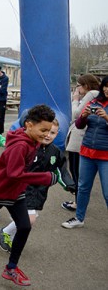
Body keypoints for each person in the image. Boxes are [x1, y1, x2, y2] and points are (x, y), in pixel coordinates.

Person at [0, 105, 59, 287]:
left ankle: (11, 268)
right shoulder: (20, 145)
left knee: (24, 226)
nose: (46, 134)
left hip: (16, 192)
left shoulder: (32, 139)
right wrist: (45, 177)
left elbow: (20, 174)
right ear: (29, 125)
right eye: (43, 130)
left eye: (49, 131)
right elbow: (14, 173)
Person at [0, 119, 75, 251]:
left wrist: (70, 185)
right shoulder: (29, 146)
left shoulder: (56, 152)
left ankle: (10, 233)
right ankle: (6, 232)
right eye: (45, 131)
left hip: (39, 191)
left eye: (52, 132)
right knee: (29, 219)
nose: (48, 135)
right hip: (22, 188)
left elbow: (61, 170)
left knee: (28, 218)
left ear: (57, 134)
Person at [62, 76, 108, 229]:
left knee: (107, 192)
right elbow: (80, 125)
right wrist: (84, 115)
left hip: (105, 156)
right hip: (87, 151)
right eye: (105, 86)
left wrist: (106, 117)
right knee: (83, 187)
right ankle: (79, 218)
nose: (107, 89)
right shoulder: (94, 101)